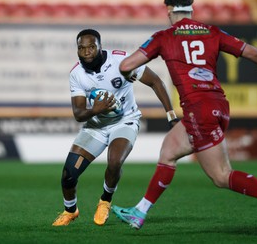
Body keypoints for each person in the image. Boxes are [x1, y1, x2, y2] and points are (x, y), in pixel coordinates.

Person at [111, 0, 257, 234]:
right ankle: (139, 212)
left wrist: (127, 75)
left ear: (169, 10)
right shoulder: (212, 32)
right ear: (191, 9)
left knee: (221, 176)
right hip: (218, 105)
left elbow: (126, 65)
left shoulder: (164, 36)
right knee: (169, 151)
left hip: (198, 109)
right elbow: (252, 52)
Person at [52, 29, 177, 226]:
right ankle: (70, 211)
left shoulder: (122, 62)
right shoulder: (77, 74)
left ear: (100, 47)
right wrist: (97, 109)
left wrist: (171, 115)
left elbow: (155, 82)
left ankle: (105, 201)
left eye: (91, 47)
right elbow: (78, 114)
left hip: (125, 121)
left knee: (115, 161)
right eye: (81, 48)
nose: (86, 52)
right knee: (68, 175)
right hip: (96, 127)